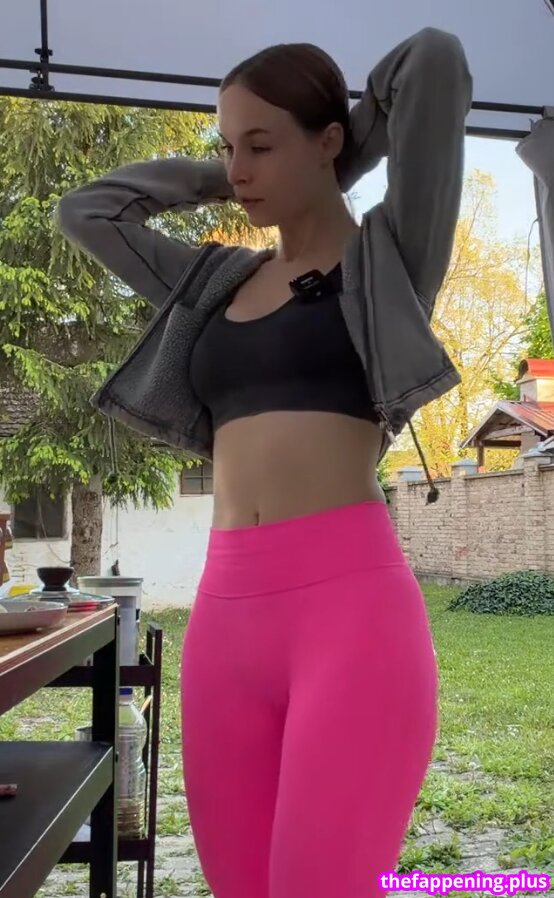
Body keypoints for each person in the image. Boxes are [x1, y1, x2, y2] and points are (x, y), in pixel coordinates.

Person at [57, 25, 472, 898]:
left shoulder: (388, 262)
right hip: (225, 619)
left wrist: (341, 162)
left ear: (328, 142)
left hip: (350, 614)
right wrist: (234, 174)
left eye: (261, 145)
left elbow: (432, 61)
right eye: (226, 148)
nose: (239, 170)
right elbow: (88, 213)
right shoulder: (215, 282)